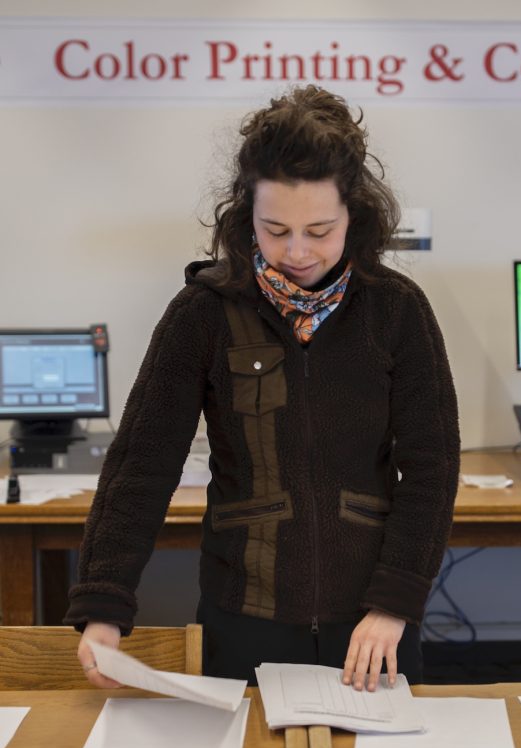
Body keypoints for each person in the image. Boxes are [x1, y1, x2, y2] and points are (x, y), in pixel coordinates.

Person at [64, 85, 460, 692]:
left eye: (320, 230)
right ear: (245, 215)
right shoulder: (202, 313)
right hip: (243, 612)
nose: (297, 252)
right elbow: (142, 462)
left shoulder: (397, 311)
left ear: (355, 217)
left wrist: (394, 604)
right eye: (275, 230)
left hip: (372, 619)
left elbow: (431, 467)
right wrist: (103, 604)